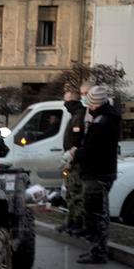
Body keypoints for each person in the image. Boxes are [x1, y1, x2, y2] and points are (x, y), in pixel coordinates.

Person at [68, 85, 120, 264]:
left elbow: (92, 150)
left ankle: (98, 252)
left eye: (88, 100)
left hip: (96, 174)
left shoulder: (101, 123)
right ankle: (97, 250)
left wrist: (76, 153)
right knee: (99, 213)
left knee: (95, 215)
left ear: (94, 103)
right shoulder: (109, 118)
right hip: (104, 172)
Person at [57, 90, 87, 236]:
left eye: (67, 101)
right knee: (69, 193)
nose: (65, 104)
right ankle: (70, 221)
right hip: (71, 160)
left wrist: (71, 157)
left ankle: (78, 222)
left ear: (73, 102)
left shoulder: (79, 116)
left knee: (76, 193)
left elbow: (77, 140)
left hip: (75, 161)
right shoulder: (75, 115)